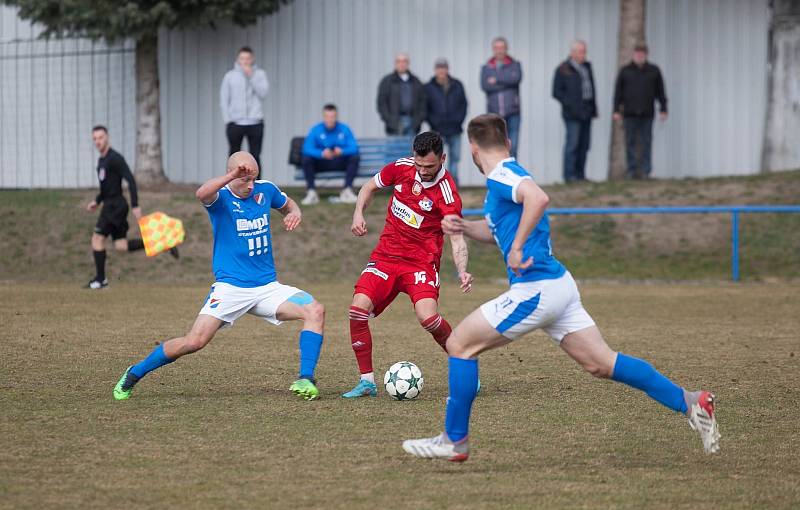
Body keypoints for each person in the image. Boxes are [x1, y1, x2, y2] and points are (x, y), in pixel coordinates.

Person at [401, 114, 720, 461]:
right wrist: (463, 226)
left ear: (474, 149)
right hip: (558, 286)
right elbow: (497, 232)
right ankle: (690, 402)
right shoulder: (504, 180)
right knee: (601, 363)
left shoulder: (503, 174)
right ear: (508, 142)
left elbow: (538, 199)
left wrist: (520, 246)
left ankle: (454, 440)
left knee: (460, 344)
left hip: (536, 289)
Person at [113, 152, 325, 402]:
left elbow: (288, 204)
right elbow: (201, 194)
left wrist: (294, 212)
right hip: (230, 288)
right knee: (194, 341)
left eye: (253, 179)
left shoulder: (265, 190)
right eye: (245, 180)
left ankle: (305, 379)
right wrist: (232, 176)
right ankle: (134, 373)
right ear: (232, 176)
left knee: (315, 310)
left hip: (268, 288)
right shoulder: (221, 198)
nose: (250, 185)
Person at [342, 132, 473, 398]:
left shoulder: (447, 194)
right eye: (419, 164)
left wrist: (462, 270)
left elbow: (457, 238)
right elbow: (369, 187)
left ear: (443, 159)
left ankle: (465, 367)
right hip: (386, 257)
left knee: (429, 319)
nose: (423, 171)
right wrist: (358, 214)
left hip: (420, 264)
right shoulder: (402, 168)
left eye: (430, 166)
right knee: (357, 310)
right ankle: (367, 381)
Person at [85, 125, 177, 290]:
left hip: (115, 206)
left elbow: (131, 180)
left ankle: (100, 280)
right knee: (121, 246)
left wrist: (135, 204)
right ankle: (162, 244)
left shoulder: (115, 158)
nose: (98, 141)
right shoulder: (102, 161)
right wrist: (97, 201)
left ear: (107, 138)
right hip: (110, 204)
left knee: (97, 239)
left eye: (100, 137)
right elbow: (106, 188)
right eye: (95, 139)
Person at [613, 43, 668, 179]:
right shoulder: (625, 71)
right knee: (630, 142)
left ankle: (646, 171)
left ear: (646, 55)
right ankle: (631, 170)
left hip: (647, 113)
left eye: (642, 54)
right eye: (637, 54)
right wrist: (616, 110)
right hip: (629, 114)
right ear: (633, 55)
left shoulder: (654, 70)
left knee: (646, 142)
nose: (639, 56)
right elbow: (618, 93)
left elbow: (660, 92)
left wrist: (663, 108)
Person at [552, 40, 598, 183]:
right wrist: (570, 105)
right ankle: (569, 176)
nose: (583, 54)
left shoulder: (587, 67)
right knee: (573, 143)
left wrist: (593, 108)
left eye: (584, 51)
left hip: (587, 110)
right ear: (572, 53)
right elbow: (556, 92)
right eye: (580, 51)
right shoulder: (563, 68)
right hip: (572, 113)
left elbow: (591, 88)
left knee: (584, 144)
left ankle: (580, 175)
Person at [220, 46, 269, 179]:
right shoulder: (230, 76)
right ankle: (232, 184)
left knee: (255, 156)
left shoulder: (260, 74)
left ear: (252, 59)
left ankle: (256, 185)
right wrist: (228, 120)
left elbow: (263, 93)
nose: (245, 61)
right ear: (238, 59)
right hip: (236, 122)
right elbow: (224, 99)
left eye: (247, 58)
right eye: (242, 58)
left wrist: (251, 76)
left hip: (255, 122)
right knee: (233, 155)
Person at [300, 104, 361, 205]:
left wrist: (342, 151)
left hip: (339, 161)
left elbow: (354, 148)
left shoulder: (344, 129)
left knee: (355, 157)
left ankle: (347, 191)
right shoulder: (316, 129)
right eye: (327, 117)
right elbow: (306, 149)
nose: (330, 120)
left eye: (332, 117)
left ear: (336, 117)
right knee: (306, 159)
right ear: (323, 117)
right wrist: (321, 153)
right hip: (322, 163)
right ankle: (311, 193)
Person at [425, 58, 468, 183]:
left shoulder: (457, 84)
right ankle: (439, 183)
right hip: (437, 130)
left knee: (455, 158)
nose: (441, 70)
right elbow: (425, 108)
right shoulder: (428, 87)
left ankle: (453, 183)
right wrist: (434, 122)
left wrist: (458, 120)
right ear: (435, 70)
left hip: (455, 129)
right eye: (439, 68)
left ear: (447, 69)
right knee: (437, 158)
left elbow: (463, 105)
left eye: (443, 67)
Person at [480, 37, 522, 158]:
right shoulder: (486, 67)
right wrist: (507, 83)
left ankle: (512, 176)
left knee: (512, 147)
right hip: (494, 114)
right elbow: (485, 86)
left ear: (506, 49)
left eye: (502, 48)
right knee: (496, 147)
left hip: (513, 112)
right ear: (493, 49)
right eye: (497, 48)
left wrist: (497, 79)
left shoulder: (515, 65)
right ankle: (498, 175)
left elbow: (516, 79)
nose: (499, 51)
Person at [377, 53, 427, 136]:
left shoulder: (416, 81)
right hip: (394, 124)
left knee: (409, 148)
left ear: (408, 63)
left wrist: (417, 121)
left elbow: (423, 103)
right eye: (399, 61)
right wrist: (389, 120)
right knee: (395, 148)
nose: (402, 64)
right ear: (395, 64)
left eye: (404, 61)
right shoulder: (387, 81)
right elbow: (381, 103)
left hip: (412, 123)